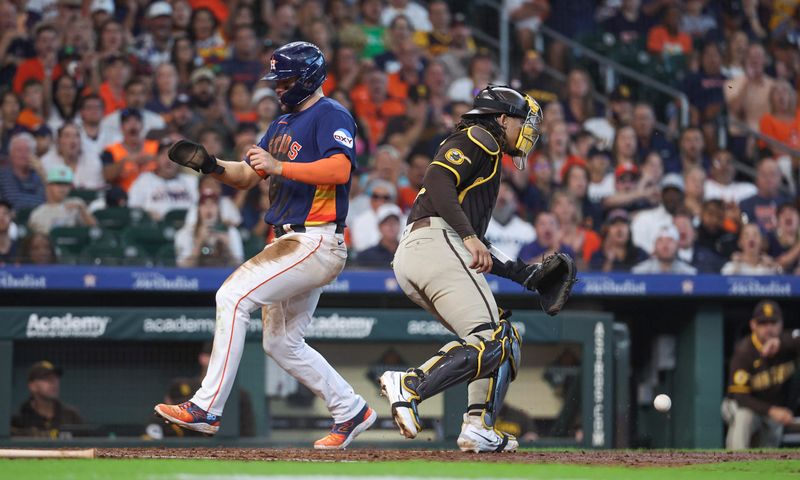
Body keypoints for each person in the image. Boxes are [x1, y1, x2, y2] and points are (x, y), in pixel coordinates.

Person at [155, 42, 376, 450]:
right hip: (293, 239)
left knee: (233, 296)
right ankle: (351, 409)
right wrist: (210, 166)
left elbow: (340, 168)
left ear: (308, 77)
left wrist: (279, 166)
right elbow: (247, 175)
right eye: (277, 80)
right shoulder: (281, 125)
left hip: (315, 236)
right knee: (281, 343)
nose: (278, 88)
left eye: (285, 79)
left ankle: (206, 407)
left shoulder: (331, 114)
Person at [379, 85, 574, 453]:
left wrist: (524, 274)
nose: (526, 130)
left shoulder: (485, 151)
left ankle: (477, 427)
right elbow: (437, 180)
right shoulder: (481, 136)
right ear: (502, 118)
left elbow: (478, 246)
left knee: (502, 336)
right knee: (494, 339)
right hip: (437, 243)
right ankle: (411, 385)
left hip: (425, 251)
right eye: (521, 121)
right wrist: (468, 235)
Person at [722, 300, 800, 450]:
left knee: (768, 450)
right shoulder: (745, 351)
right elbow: (741, 397)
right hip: (741, 405)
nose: (768, 328)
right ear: (753, 325)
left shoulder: (789, 343)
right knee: (745, 416)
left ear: (781, 324)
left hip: (773, 410)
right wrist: (772, 410)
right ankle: (734, 463)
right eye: (763, 323)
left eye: (773, 323)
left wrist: (782, 343)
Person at [11, 361, 83, 437]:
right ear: (32, 386)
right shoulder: (19, 420)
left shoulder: (71, 416)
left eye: (55, 378)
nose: (53, 382)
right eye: (46, 378)